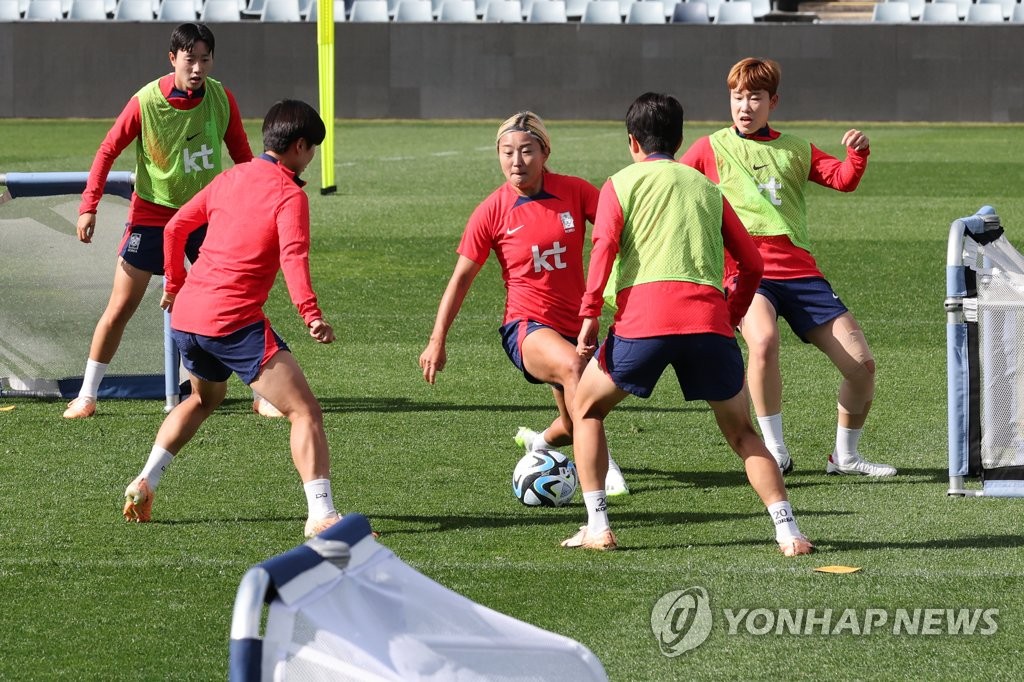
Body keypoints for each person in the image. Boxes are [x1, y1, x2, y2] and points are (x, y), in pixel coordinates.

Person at [564, 92, 813, 557]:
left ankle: (597, 527)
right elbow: (753, 265)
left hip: (644, 320)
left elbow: (601, 252)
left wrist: (589, 314)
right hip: (709, 324)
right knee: (743, 434)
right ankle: (789, 532)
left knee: (587, 410)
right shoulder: (707, 188)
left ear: (632, 142)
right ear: (679, 140)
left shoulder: (620, 183)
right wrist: (733, 313)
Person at [122, 99, 345, 538]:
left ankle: (147, 478)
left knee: (204, 400)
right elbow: (293, 257)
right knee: (305, 412)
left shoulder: (230, 176)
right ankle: (322, 516)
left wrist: (173, 284)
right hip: (232, 320)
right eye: (312, 148)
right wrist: (311, 314)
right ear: (299, 147)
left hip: (186, 317)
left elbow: (173, 229)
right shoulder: (289, 195)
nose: (312, 157)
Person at [680, 57, 896, 478]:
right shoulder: (711, 147)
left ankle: (845, 458)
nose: (744, 106)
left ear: (772, 102)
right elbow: (675, 180)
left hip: (802, 274)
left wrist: (858, 153)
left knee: (862, 369)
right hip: (748, 272)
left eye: (754, 98)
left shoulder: (795, 147)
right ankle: (775, 451)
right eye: (737, 97)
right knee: (762, 343)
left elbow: (842, 179)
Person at [62, 23, 280, 420]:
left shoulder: (220, 98)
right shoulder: (145, 101)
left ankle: (263, 394)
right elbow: (107, 149)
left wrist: (258, 202)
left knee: (238, 302)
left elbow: (244, 157)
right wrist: (88, 205)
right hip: (152, 216)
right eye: (189, 59)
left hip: (208, 217)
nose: (197, 68)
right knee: (121, 306)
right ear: (172, 58)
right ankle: (87, 394)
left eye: (205, 59)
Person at [418, 111, 629, 496]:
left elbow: (617, 234)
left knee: (572, 422)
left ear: (545, 152)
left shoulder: (576, 191)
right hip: (526, 326)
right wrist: (437, 339)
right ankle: (603, 470)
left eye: (527, 151)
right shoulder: (492, 211)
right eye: (507, 151)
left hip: (574, 325)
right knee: (574, 367)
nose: (516, 162)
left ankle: (541, 443)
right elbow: (460, 279)